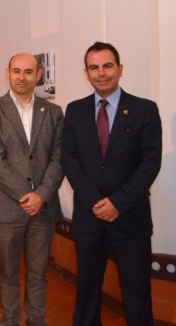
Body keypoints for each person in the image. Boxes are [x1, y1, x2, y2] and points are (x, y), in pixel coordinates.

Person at [62, 42, 162, 326]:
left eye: (107, 66)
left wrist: (118, 202)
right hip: (89, 217)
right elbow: (69, 160)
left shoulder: (144, 110)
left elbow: (149, 164)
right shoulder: (75, 110)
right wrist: (96, 201)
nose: (101, 73)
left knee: (137, 291)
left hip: (130, 216)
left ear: (120, 69)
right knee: (87, 290)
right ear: (86, 72)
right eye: (94, 67)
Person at [0, 53, 65, 326]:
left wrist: (41, 195)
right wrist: (25, 195)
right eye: (16, 71)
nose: (22, 77)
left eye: (28, 72)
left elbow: (59, 157)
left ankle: (37, 320)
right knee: (8, 272)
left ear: (38, 75)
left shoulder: (53, 112)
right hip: (7, 207)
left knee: (38, 272)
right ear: (7, 73)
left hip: (44, 207)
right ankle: (10, 320)